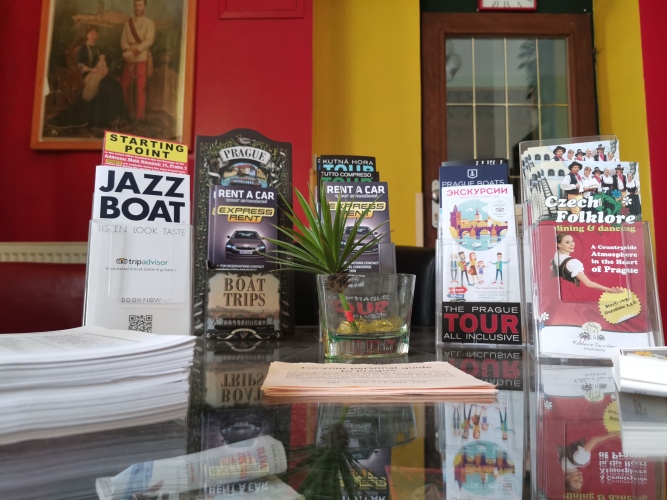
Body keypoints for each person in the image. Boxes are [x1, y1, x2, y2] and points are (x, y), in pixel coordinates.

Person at [553, 233, 623, 292]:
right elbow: (588, 284)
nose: (572, 244)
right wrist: (610, 290)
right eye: (567, 242)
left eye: (572, 241)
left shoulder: (556, 255)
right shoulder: (573, 262)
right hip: (576, 295)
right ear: (559, 244)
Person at [121, 0, 155, 121]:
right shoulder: (128, 23)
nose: (137, 8)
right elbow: (123, 39)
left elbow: (149, 40)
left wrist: (135, 50)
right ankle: (126, 113)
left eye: (140, 5)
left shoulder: (149, 23)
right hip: (129, 57)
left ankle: (139, 116)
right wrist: (127, 50)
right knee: (124, 85)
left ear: (144, 7)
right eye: (135, 5)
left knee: (140, 87)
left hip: (141, 57)